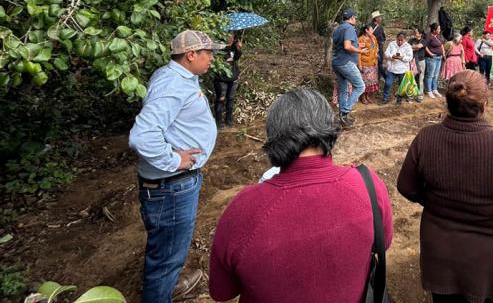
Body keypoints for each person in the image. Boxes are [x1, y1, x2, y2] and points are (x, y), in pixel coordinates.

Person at [209, 88, 393, 302]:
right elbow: (384, 242)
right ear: (329, 128)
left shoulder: (243, 209)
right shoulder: (366, 183)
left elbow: (221, 292)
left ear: (273, 135)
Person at [397, 70, 493, 303]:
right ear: (485, 105)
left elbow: (406, 186)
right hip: (491, 261)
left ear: (448, 104)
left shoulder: (426, 138)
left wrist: (434, 200)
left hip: (441, 255)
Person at [129, 30, 226, 302]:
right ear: (190, 54)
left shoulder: (179, 77)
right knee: (166, 257)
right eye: (208, 52)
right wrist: (174, 160)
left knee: (168, 248)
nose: (212, 58)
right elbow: (142, 136)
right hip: (171, 186)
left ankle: (168, 283)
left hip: (173, 185)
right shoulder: (172, 84)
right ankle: (160, 292)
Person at [332, 8, 368, 128]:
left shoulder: (338, 28)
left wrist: (358, 45)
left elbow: (341, 45)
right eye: (355, 17)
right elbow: (347, 46)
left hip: (337, 62)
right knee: (360, 86)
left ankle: (343, 118)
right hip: (346, 62)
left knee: (343, 89)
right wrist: (360, 51)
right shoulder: (349, 28)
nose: (356, 19)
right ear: (352, 17)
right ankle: (345, 111)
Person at [213, 31, 242, 128]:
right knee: (221, 99)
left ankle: (228, 120)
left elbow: (237, 57)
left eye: (231, 35)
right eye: (227, 34)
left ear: (234, 37)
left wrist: (238, 48)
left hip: (233, 77)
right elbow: (215, 59)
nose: (229, 37)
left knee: (230, 99)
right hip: (221, 78)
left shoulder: (234, 47)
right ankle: (218, 122)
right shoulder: (219, 46)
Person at [382, 31, 414, 105]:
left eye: (401, 40)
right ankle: (385, 99)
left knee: (401, 85)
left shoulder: (408, 46)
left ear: (405, 40)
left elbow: (410, 58)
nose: (399, 42)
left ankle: (399, 100)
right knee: (388, 83)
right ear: (396, 38)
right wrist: (392, 56)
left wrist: (402, 57)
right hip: (392, 68)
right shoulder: (392, 44)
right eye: (398, 40)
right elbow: (386, 53)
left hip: (402, 69)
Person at [357, 25, 380, 104]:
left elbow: (376, 46)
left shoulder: (373, 37)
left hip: (373, 63)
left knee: (371, 82)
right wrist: (359, 64)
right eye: (371, 30)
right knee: (364, 81)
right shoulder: (360, 40)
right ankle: (362, 97)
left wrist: (376, 52)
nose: (372, 31)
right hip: (364, 64)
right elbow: (358, 53)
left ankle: (367, 96)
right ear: (366, 31)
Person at [423, 22, 445, 99]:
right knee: (430, 75)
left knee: (436, 75)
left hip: (439, 57)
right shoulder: (428, 36)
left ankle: (434, 89)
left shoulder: (438, 36)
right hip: (431, 58)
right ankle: (429, 90)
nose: (439, 30)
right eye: (438, 29)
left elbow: (441, 44)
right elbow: (425, 46)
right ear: (434, 30)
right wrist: (430, 54)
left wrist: (443, 53)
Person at [408, 28, 427, 102]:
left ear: (420, 34)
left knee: (420, 79)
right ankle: (411, 96)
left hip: (421, 61)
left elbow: (419, 46)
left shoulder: (424, 41)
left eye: (416, 32)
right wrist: (414, 47)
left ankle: (420, 96)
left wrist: (413, 47)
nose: (415, 33)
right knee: (411, 78)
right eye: (414, 32)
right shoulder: (411, 40)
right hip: (412, 61)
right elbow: (407, 47)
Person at [371, 11, 387, 80]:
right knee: (379, 62)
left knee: (378, 62)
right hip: (374, 47)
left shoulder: (380, 27)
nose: (381, 18)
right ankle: (382, 77)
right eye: (379, 17)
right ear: (376, 18)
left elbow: (383, 37)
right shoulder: (372, 27)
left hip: (376, 46)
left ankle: (378, 77)